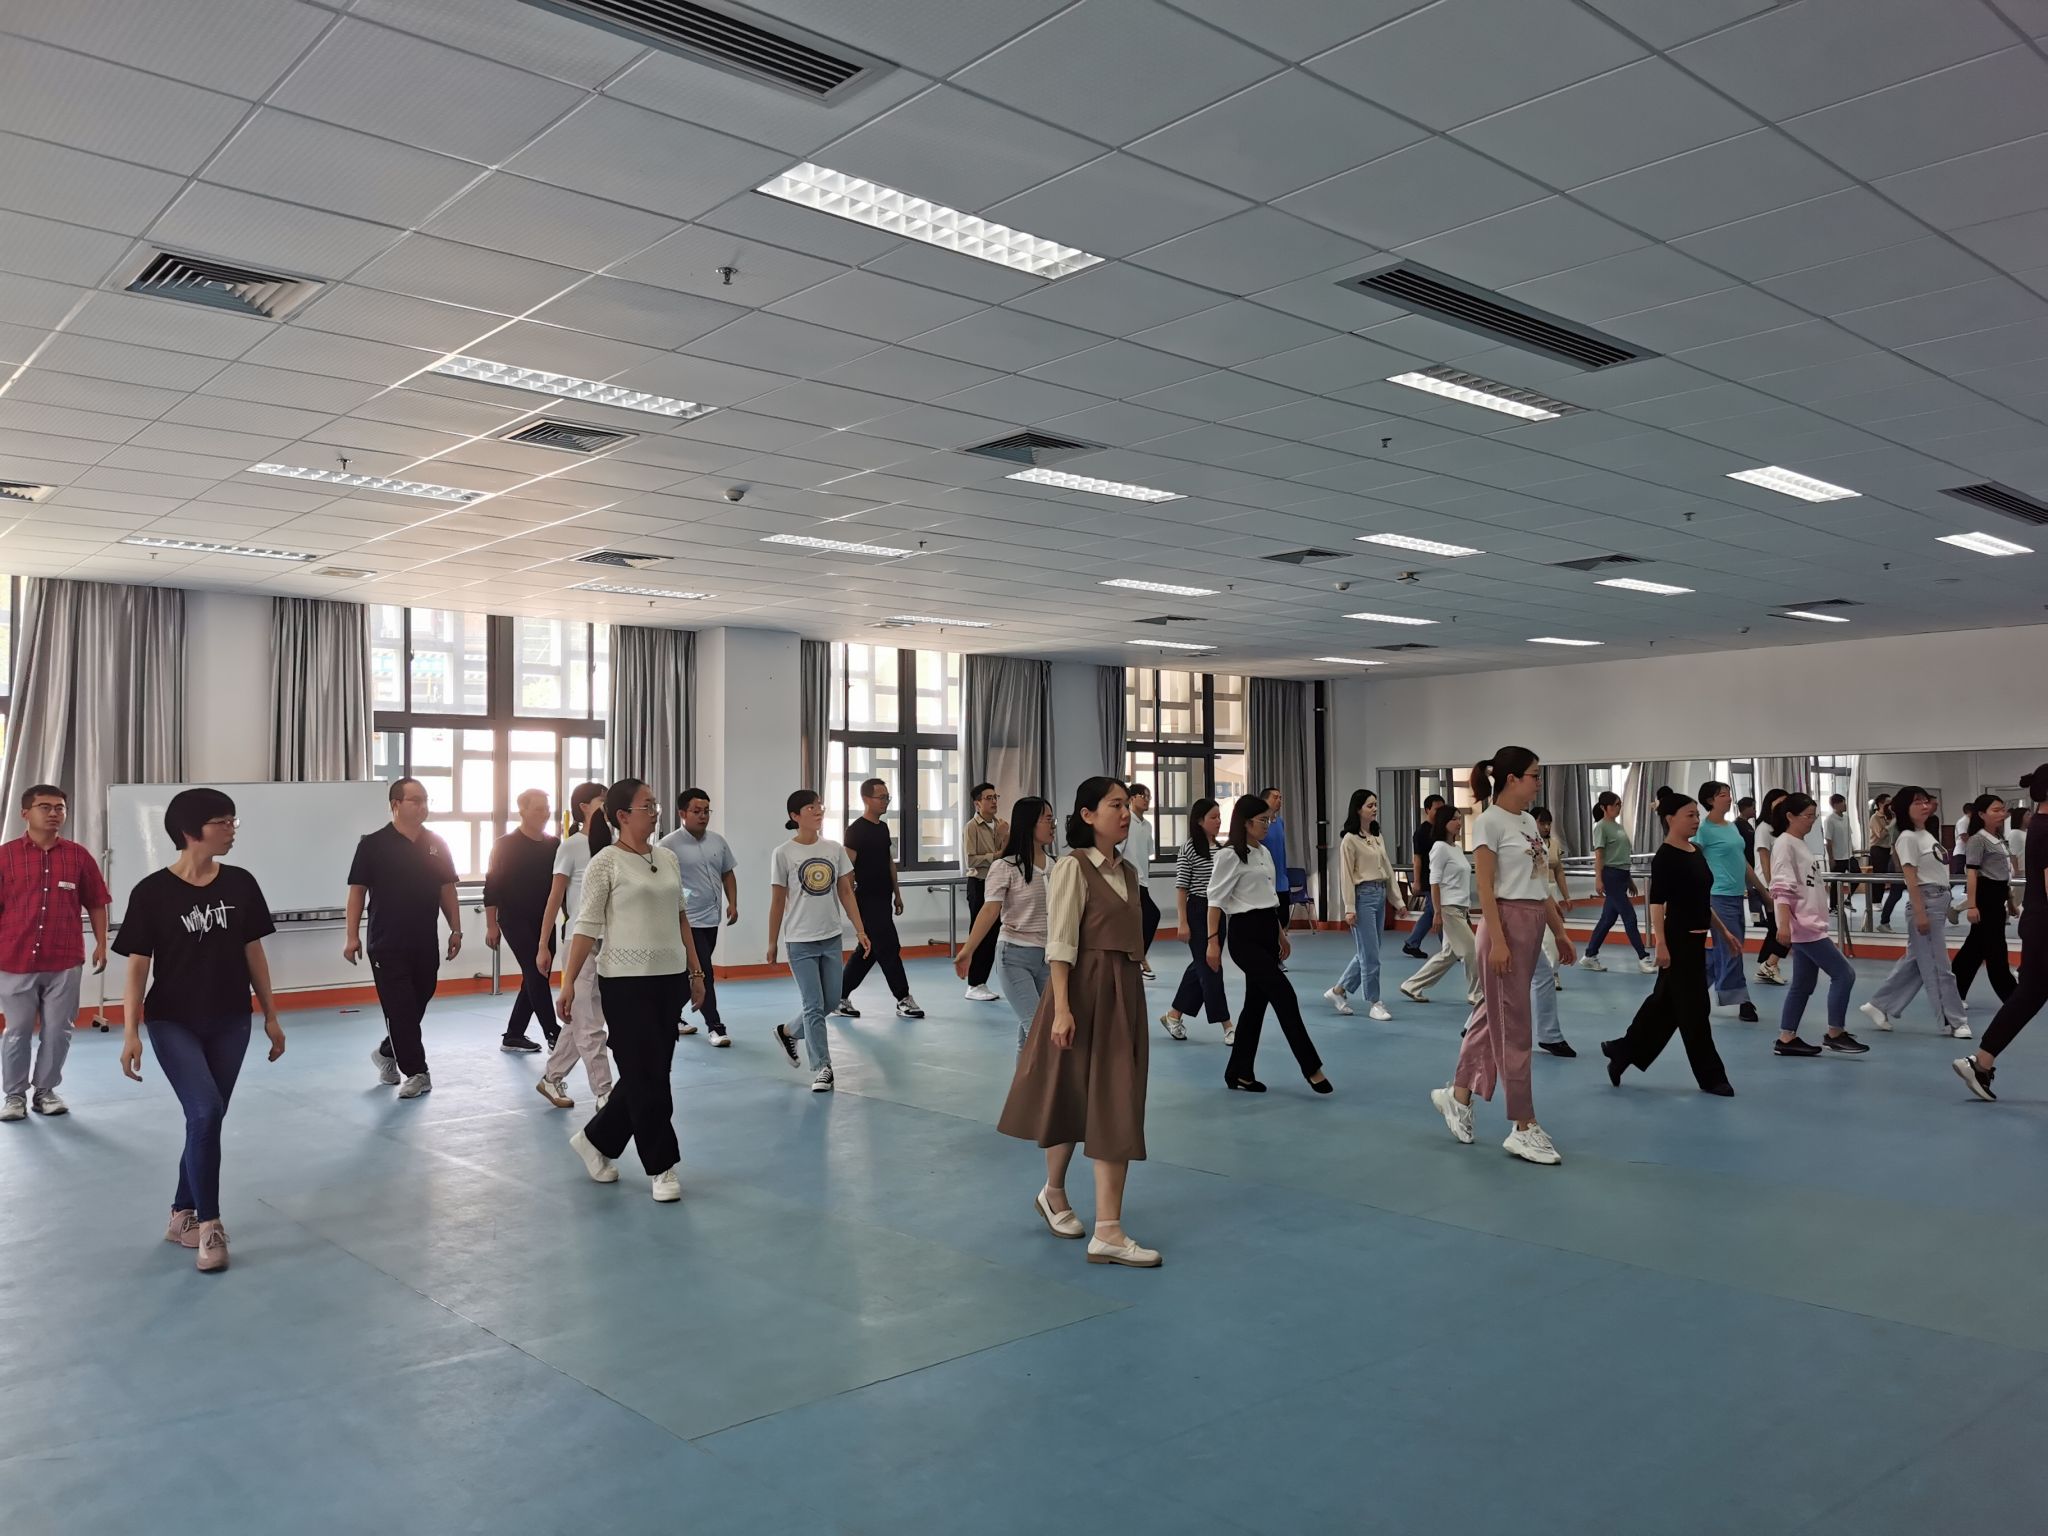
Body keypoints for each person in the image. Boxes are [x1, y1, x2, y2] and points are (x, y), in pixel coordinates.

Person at [114, 788, 283, 1273]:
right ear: (191, 831)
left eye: (233, 821)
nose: (231, 830)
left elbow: (254, 952)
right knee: (206, 1111)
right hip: (172, 1020)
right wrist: (130, 1032)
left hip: (230, 1019)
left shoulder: (241, 883)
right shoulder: (151, 892)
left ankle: (180, 1214)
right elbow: (137, 968)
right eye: (221, 822)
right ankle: (209, 1224)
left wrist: (271, 1015)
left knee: (207, 1118)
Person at [997, 777, 1159, 1268]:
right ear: (1087, 815)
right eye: (1115, 805)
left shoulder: (1128, 871)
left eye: (1127, 805)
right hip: (1082, 992)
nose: (1125, 813)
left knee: (1116, 1099)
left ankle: (1103, 1225)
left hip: (1122, 993)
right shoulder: (1071, 867)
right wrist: (1063, 1008)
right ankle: (1062, 1198)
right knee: (1070, 1093)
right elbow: (1061, 943)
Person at [557, 779, 706, 1199]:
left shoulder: (667, 858)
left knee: (652, 1072)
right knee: (647, 1076)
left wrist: (696, 972)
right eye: (647, 806)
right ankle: (662, 1166)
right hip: (624, 983)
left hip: (669, 979)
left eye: (655, 804)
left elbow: (681, 917)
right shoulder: (605, 863)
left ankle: (595, 1140)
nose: (655, 811)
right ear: (622, 816)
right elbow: (586, 926)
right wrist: (567, 983)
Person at [1428, 748, 1577, 1165]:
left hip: (1531, 922)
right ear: (1511, 779)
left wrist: (1559, 931)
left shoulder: (1527, 821)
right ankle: (1523, 1125)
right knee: (1514, 1027)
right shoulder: (1489, 823)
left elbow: (1539, 883)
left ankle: (1458, 1095)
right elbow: (1486, 888)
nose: (1539, 782)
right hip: (1505, 925)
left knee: (1490, 1014)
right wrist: (1497, 940)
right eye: (1534, 775)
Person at [1600, 788, 1735, 1097]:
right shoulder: (1665, 857)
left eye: (1697, 815)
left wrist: (1723, 932)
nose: (1696, 820)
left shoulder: (1695, 851)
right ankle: (1712, 1077)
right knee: (1695, 1009)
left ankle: (1622, 1050)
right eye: (1690, 815)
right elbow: (1657, 903)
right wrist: (1660, 943)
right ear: (1670, 818)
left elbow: (1702, 901)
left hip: (1697, 940)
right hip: (1678, 941)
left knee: (1666, 1006)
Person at [345, 778, 460, 1100]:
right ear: (396, 804)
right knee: (399, 1008)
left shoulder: (436, 843)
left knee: (418, 999)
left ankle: (387, 1051)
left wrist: (456, 929)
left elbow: (447, 888)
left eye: (426, 800)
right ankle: (417, 1072)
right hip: (386, 942)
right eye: (415, 800)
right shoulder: (372, 844)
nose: (423, 806)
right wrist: (351, 936)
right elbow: (357, 892)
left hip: (424, 940)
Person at [1209, 794, 1332, 1096]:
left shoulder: (1263, 852)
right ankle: (1311, 1068)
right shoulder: (1229, 856)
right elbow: (1215, 901)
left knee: (1254, 1007)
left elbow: (1269, 898)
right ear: (1246, 822)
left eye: (1269, 819)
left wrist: (1280, 935)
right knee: (1284, 995)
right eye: (1263, 820)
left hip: (1267, 930)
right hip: (1244, 936)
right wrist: (1212, 943)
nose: (1268, 824)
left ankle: (1239, 1072)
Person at [0, 784, 109, 1121]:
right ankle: (14, 1096)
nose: (54, 813)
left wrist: (102, 943)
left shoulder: (78, 856)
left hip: (65, 959)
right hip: (15, 959)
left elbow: (97, 902)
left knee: (58, 1030)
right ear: (25, 813)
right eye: (45, 807)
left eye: (59, 807)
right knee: (17, 1030)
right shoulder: (5, 857)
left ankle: (45, 1092)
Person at [1953, 763, 2048, 1100]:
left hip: (2037, 923)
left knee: (2028, 996)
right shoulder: (2046, 829)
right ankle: (1979, 1062)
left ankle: (1980, 1063)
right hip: (2044, 926)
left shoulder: (2037, 827)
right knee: (2027, 993)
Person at [765, 790, 869, 1091]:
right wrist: (772, 942)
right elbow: (777, 901)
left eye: (819, 806)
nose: (818, 811)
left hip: (830, 937)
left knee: (831, 1001)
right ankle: (823, 1067)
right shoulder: (783, 853)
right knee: (812, 1004)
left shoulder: (834, 849)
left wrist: (860, 930)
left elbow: (846, 891)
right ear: (795, 816)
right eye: (811, 807)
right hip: (799, 940)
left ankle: (788, 1031)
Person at [1861, 785, 1970, 1038]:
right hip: (1926, 902)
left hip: (1938, 900)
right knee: (1938, 966)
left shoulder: (1925, 834)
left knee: (1917, 961)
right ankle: (1954, 1020)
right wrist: (1920, 912)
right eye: (1917, 802)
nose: (1924, 806)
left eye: (1925, 801)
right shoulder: (1908, 838)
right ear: (1904, 809)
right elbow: (1910, 878)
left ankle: (1879, 1004)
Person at [1765, 793, 1868, 1057]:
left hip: (1808, 923)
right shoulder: (1785, 844)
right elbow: (1781, 888)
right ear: (1790, 816)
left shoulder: (1798, 844)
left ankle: (1786, 1038)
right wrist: (1784, 926)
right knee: (1844, 974)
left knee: (1803, 984)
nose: (1811, 821)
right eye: (1807, 816)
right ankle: (1835, 1033)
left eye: (1814, 816)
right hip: (1805, 927)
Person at [534, 783, 615, 1110]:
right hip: (579, 942)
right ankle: (604, 1092)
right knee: (590, 1022)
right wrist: (543, 945)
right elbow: (554, 898)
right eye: (602, 801)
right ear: (584, 807)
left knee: (582, 1018)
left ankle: (551, 1077)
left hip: (610, 941)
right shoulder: (571, 847)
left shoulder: (614, 846)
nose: (607, 806)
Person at [956, 798, 1053, 1049]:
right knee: (1038, 1030)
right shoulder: (1005, 867)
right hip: (1014, 956)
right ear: (1030, 823)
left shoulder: (1056, 865)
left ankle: (1024, 1077)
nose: (1052, 824)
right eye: (1047, 819)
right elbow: (990, 910)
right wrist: (968, 950)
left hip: (1048, 958)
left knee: (1028, 1033)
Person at [836, 778, 923, 1020]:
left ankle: (838, 997)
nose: (886, 801)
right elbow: (847, 870)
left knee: (869, 950)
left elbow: (888, 863)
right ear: (866, 799)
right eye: (881, 797)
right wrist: (851, 904)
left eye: (887, 797)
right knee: (889, 947)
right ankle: (903, 998)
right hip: (866, 900)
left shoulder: (883, 828)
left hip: (884, 899)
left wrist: (897, 894)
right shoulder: (855, 830)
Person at [483, 788, 559, 1055]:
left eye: (547, 808)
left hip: (545, 920)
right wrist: (491, 925)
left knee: (536, 976)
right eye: (538, 809)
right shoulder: (505, 844)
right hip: (514, 919)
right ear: (522, 811)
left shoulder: (554, 845)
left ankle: (514, 1034)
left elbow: (560, 886)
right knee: (536, 973)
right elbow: (492, 885)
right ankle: (553, 1033)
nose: (545, 814)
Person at [660, 787, 738, 1045]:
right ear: (682, 813)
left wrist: (733, 903)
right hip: (687, 921)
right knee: (703, 972)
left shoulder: (718, 841)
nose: (703, 816)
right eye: (696, 811)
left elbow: (727, 873)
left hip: (711, 918)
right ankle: (715, 1027)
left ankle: (669, 1015)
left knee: (690, 975)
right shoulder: (668, 846)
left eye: (706, 811)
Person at [1157, 798, 1232, 1045]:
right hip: (1198, 910)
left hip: (1218, 912)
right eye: (1213, 817)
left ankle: (1173, 1015)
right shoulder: (1188, 848)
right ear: (1200, 821)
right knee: (1211, 967)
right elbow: (1182, 888)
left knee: (1202, 964)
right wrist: (1182, 922)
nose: (1218, 821)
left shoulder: (1222, 850)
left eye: (1219, 816)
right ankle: (1227, 1025)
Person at [1325, 789, 1403, 1022]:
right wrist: (1350, 907)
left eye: (1375, 804)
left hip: (1379, 894)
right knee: (1370, 955)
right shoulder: (1349, 840)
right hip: (1363, 897)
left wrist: (1397, 900)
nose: (1374, 809)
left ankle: (1338, 990)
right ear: (1358, 809)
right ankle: (1374, 1002)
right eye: (1370, 805)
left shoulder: (1377, 836)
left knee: (1369, 951)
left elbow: (1387, 869)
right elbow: (1346, 876)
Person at [1694, 781, 1766, 1024]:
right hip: (1717, 896)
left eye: (1728, 794)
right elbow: (1692, 861)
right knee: (1732, 948)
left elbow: (1742, 862)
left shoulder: (1732, 827)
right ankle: (1743, 1001)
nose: (1729, 798)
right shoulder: (1703, 830)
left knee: (1727, 949)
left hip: (1736, 895)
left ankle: (1690, 987)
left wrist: (1762, 891)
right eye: (1723, 795)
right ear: (1710, 800)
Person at [1400, 804, 1479, 1006]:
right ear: (1444, 823)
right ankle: (1475, 993)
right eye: (1455, 819)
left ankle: (1412, 985)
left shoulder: (1457, 849)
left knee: (1448, 955)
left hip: (1461, 907)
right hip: (1449, 908)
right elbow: (1434, 882)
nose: (1459, 823)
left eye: (1460, 818)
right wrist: (1437, 912)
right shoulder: (1439, 848)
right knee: (1472, 950)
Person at [1952, 794, 2019, 1013]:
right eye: (1996, 810)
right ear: (1981, 814)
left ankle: (1953, 992)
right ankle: (2011, 995)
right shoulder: (1977, 839)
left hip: (1998, 895)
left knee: (1974, 950)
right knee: (1995, 948)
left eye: (2003, 810)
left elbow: (2003, 874)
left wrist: (2010, 901)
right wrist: (1972, 905)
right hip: (1985, 896)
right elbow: (1972, 874)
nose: (2002, 814)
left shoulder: (1998, 837)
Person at [1580, 789, 1654, 974]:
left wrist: (1629, 880)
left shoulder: (1618, 827)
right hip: (1610, 876)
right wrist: (1598, 879)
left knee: (1607, 919)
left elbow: (1622, 855)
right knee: (1630, 917)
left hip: (1621, 875)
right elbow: (1599, 855)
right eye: (1615, 805)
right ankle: (1643, 957)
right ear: (1604, 807)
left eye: (1620, 804)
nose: (1618, 808)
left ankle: (1589, 955)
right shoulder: (1601, 827)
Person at [1529, 806, 1577, 1057]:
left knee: (1540, 975)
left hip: (1543, 897)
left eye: (1548, 823)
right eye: (1542, 822)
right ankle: (1473, 1024)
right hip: (1520, 909)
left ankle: (1549, 1035)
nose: (1546, 827)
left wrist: (1558, 901)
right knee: (1507, 980)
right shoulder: (1510, 836)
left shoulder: (1548, 845)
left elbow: (1551, 874)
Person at [961, 783, 1006, 1002]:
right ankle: (974, 983)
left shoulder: (1001, 825)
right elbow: (971, 859)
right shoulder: (972, 827)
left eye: (995, 797)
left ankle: (982, 982)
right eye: (988, 798)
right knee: (980, 933)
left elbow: (1006, 853)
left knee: (993, 935)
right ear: (977, 803)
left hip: (996, 884)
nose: (994, 801)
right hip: (979, 883)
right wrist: (997, 854)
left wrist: (1004, 837)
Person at [1751, 788, 1790, 987]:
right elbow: (1764, 857)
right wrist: (1771, 886)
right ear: (1770, 804)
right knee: (1785, 927)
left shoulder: (1780, 828)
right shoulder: (1764, 828)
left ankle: (1767, 966)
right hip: (1769, 885)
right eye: (1779, 802)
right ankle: (1769, 964)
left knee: (1775, 928)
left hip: (1780, 884)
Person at [1124, 783, 1160, 980]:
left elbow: (1147, 855)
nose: (1146, 799)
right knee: (1151, 915)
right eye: (1143, 796)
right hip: (1129, 879)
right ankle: (1138, 960)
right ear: (1132, 798)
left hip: (1142, 880)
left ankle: (1137, 959)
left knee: (1143, 920)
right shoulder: (1125, 821)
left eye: (1148, 796)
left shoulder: (1147, 825)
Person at [1403, 794, 1445, 959]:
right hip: (1429, 878)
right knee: (1438, 911)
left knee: (1430, 912)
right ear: (1427, 810)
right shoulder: (1421, 832)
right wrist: (1417, 881)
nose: (1440, 812)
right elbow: (1417, 858)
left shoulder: (1442, 829)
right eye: (1437, 809)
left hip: (1441, 877)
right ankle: (1448, 948)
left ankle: (1412, 943)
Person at [1870, 793, 1903, 930]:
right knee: (1879, 875)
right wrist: (1891, 824)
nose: (1890, 806)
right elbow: (1880, 834)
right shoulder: (1875, 817)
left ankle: (1883, 913)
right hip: (1878, 848)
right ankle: (1876, 901)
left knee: (1888, 876)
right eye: (1887, 803)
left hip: (1889, 849)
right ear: (1880, 804)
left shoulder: (1892, 817)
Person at [1822, 794, 1859, 914]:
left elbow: (1849, 837)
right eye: (1843, 803)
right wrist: (1831, 859)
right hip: (1837, 857)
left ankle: (1847, 900)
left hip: (1849, 855)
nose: (1845, 805)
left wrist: (1852, 851)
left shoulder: (1846, 818)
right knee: (1836, 883)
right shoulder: (1829, 820)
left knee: (1858, 876)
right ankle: (1833, 907)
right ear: (1836, 805)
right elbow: (1828, 841)